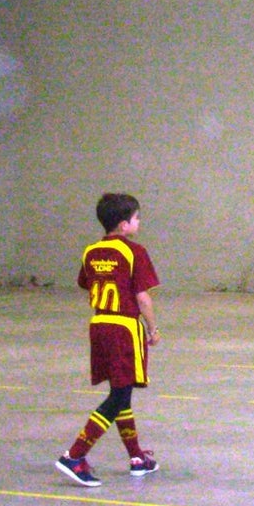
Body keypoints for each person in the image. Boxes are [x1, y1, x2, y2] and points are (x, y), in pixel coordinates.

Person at [55, 193, 161, 487]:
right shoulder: (134, 252)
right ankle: (75, 455)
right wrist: (153, 329)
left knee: (121, 390)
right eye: (137, 218)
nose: (139, 222)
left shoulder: (90, 252)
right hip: (124, 327)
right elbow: (142, 297)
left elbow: (86, 283)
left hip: (99, 324)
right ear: (124, 224)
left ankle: (137, 457)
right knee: (119, 396)